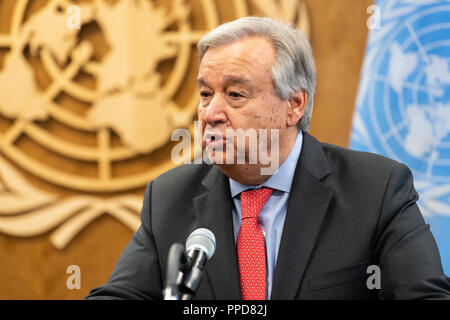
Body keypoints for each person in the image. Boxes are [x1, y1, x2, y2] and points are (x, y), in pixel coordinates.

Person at [86, 17, 450, 300]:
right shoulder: (170, 199)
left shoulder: (376, 190)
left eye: (235, 94)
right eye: (205, 94)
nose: (211, 112)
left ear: (294, 104)